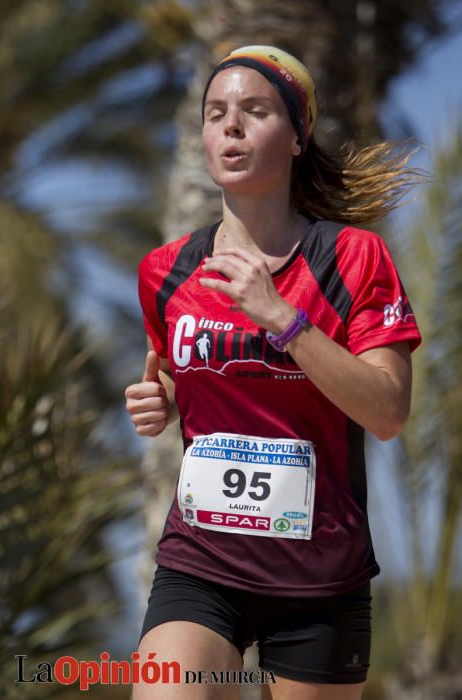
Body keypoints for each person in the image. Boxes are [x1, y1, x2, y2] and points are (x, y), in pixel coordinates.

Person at [125, 45, 423, 700]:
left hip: (319, 581)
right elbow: (195, 369)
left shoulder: (352, 257)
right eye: (215, 113)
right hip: (200, 566)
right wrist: (163, 398)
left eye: (253, 111)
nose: (228, 127)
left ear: (296, 136)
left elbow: (387, 411)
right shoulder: (165, 271)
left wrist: (282, 318)